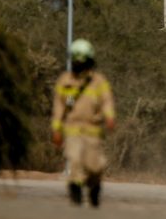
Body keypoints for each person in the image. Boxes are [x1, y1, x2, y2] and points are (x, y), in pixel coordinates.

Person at [51, 38, 116, 207]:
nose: (78, 62)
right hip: (72, 129)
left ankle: (94, 188)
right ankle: (76, 191)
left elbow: (107, 100)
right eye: (75, 59)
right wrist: (56, 129)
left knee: (95, 167)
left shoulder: (99, 82)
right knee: (75, 159)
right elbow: (58, 107)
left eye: (82, 59)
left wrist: (109, 117)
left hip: (93, 131)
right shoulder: (64, 81)